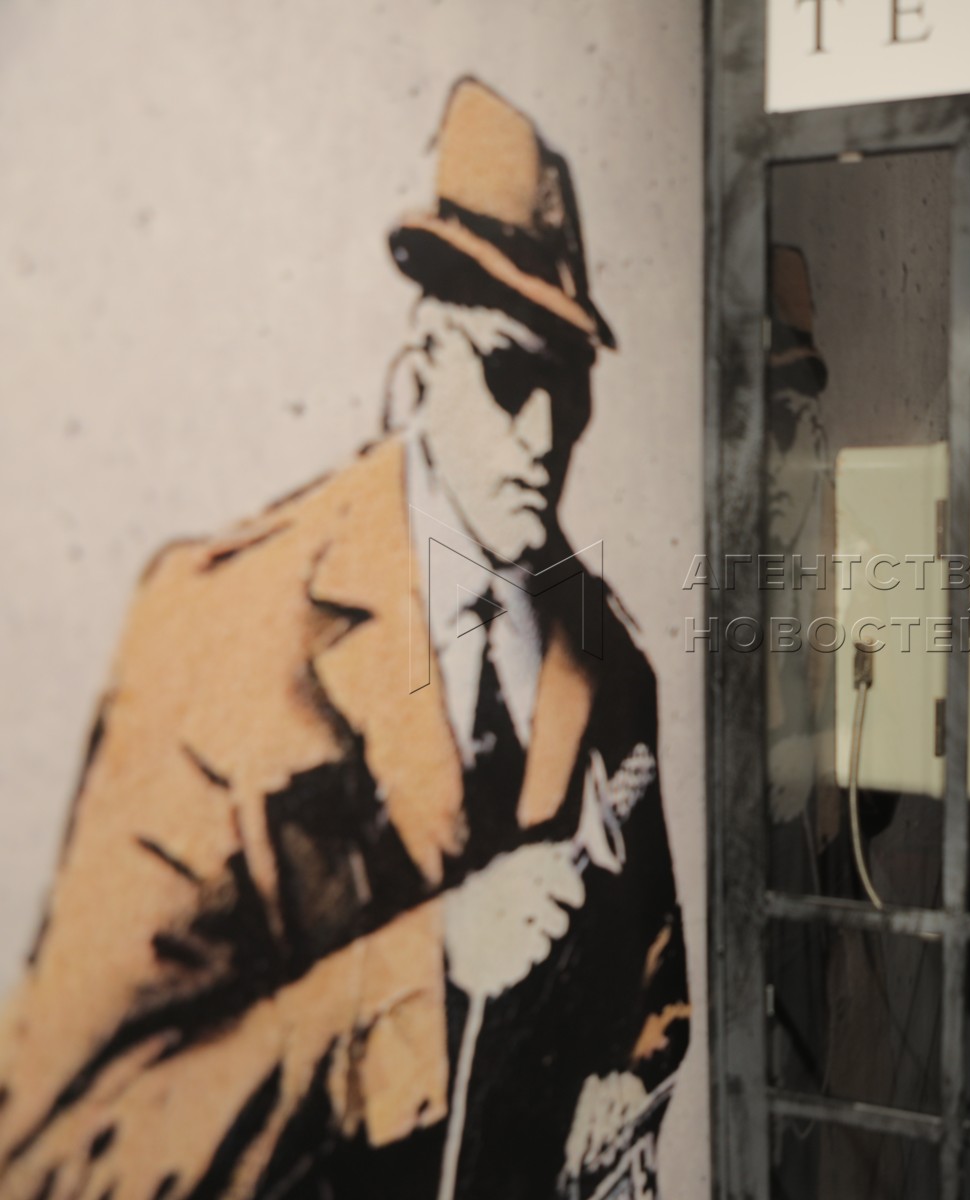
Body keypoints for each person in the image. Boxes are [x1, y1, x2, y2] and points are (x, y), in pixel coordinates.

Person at [0, 78, 687, 1200]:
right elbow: (65, 1150)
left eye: (567, 387)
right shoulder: (222, 626)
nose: (544, 435)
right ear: (423, 361)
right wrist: (427, 963)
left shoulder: (604, 659)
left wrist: (628, 1080)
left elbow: (656, 985)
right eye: (507, 374)